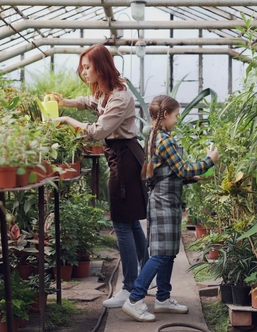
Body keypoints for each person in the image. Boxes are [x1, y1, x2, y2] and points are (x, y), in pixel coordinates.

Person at [50, 44, 149, 308]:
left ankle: (130, 288)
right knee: (131, 222)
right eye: (82, 67)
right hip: (122, 156)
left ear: (101, 67)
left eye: (87, 67)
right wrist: (66, 102)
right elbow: (90, 102)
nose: (83, 72)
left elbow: (97, 131)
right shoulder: (106, 92)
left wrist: (69, 121)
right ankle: (145, 275)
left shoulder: (119, 97)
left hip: (126, 158)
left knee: (121, 222)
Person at [121, 95, 219, 322]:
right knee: (160, 255)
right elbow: (182, 169)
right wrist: (209, 160)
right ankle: (134, 299)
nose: (177, 119)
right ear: (165, 115)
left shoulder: (157, 138)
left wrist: (194, 177)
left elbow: (169, 174)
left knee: (168, 253)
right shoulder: (165, 140)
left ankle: (163, 298)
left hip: (166, 201)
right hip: (164, 204)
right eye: (175, 115)